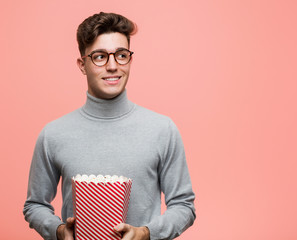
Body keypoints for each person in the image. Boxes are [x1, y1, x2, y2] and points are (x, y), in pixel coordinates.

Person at [23, 12, 195, 240]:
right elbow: (34, 205)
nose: (113, 66)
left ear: (130, 60)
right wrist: (58, 230)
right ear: (82, 65)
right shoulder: (53, 134)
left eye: (121, 55)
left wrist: (146, 234)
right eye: (100, 56)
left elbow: (184, 205)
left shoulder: (163, 130)